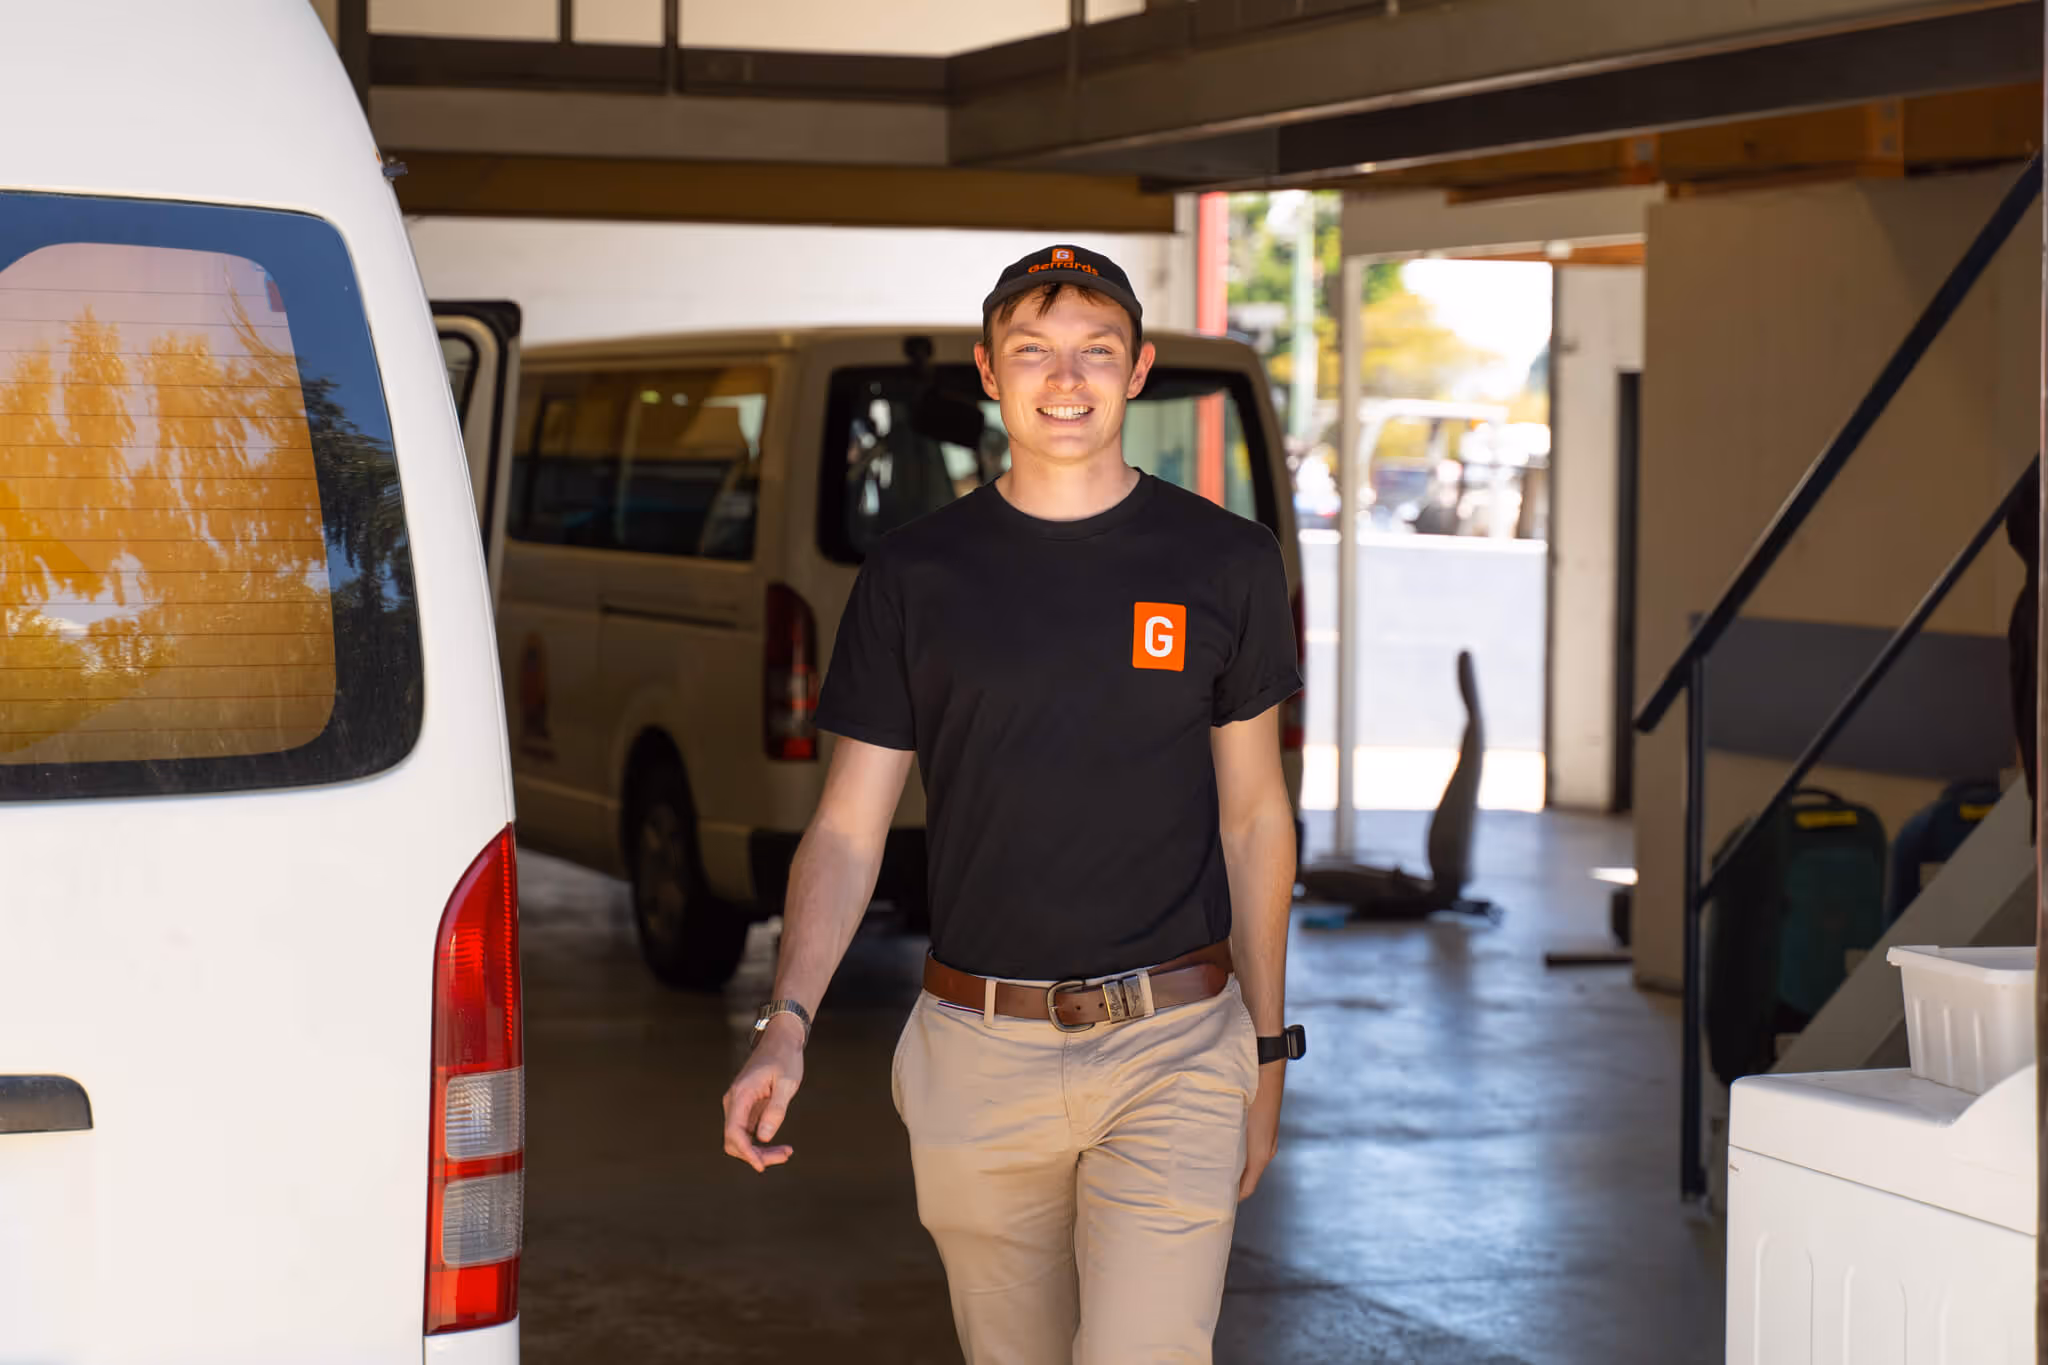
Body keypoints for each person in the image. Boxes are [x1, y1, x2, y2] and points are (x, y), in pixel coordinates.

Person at [719, 244, 1307, 1363]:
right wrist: (783, 1025)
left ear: (1137, 372)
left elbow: (1253, 819)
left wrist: (1265, 1049)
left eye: (1095, 352)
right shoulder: (912, 576)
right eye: (1033, 352)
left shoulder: (1224, 563)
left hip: (1173, 1045)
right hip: (974, 1053)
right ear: (989, 373)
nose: (1066, 379)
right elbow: (844, 829)